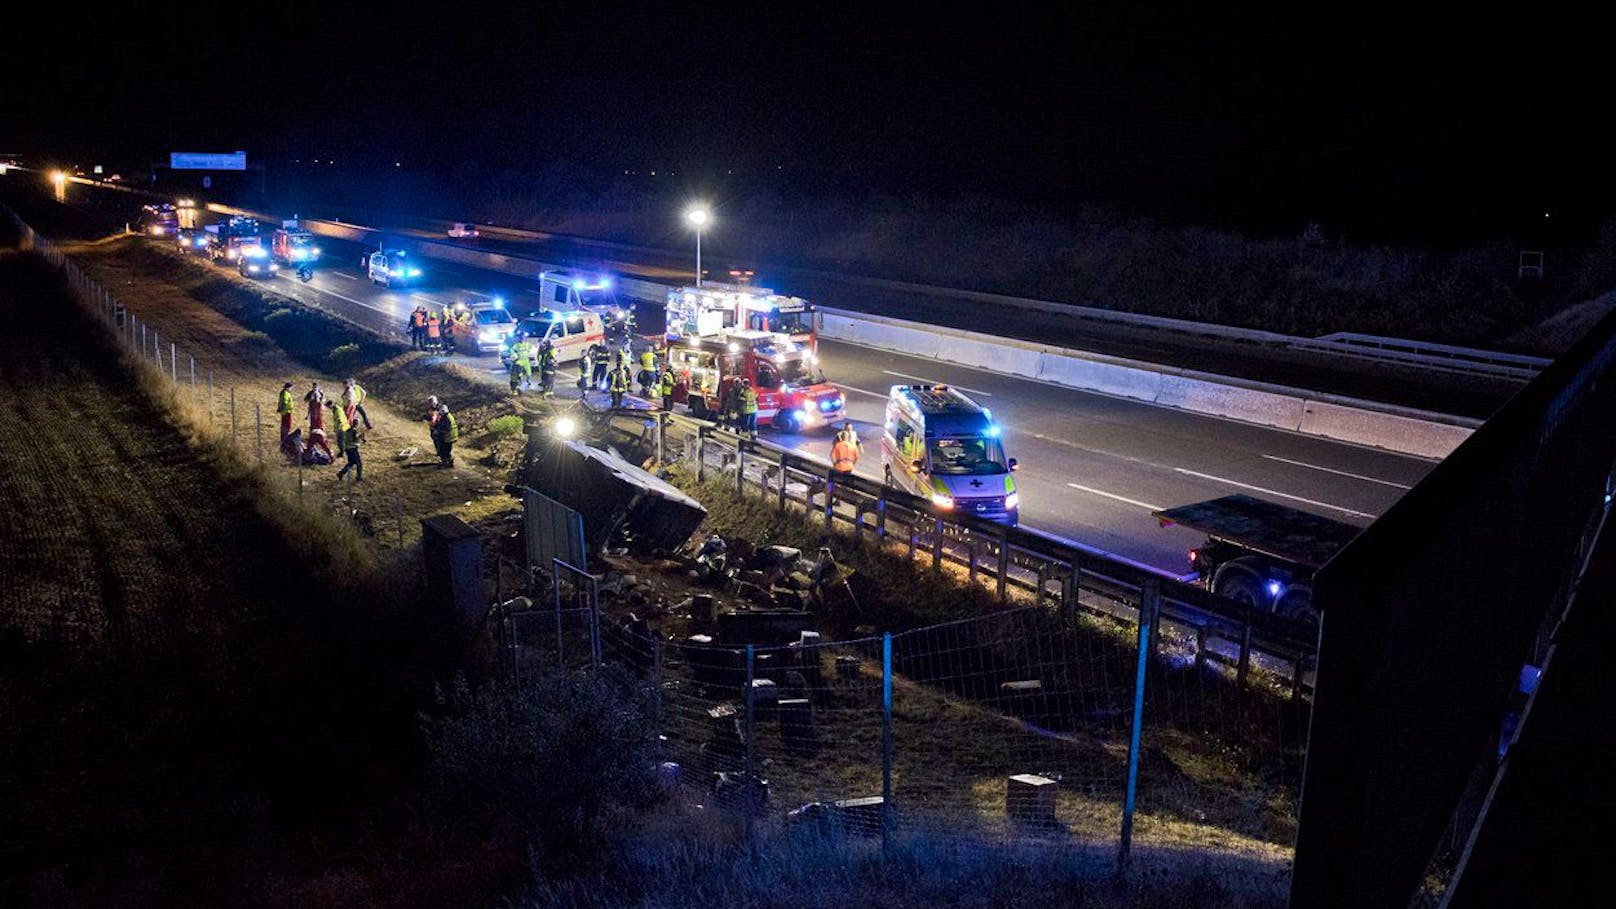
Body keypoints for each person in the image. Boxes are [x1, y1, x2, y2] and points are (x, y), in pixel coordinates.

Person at [329, 400, 362, 482]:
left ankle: (341, 473)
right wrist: (360, 438)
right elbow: (355, 439)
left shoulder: (347, 430)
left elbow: (349, 439)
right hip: (353, 449)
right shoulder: (354, 431)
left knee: (351, 462)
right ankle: (359, 477)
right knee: (359, 463)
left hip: (347, 449)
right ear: (356, 424)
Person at [430, 403, 458, 468]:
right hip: (451, 436)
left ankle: (445, 463)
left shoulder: (446, 418)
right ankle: (449, 462)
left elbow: (445, 427)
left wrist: (438, 431)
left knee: (444, 450)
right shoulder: (449, 416)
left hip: (448, 437)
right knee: (447, 450)